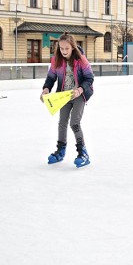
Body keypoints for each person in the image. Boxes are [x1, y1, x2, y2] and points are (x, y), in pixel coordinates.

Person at [41, 33, 94, 168]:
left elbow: (89, 78)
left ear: (72, 47)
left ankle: (83, 152)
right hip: (64, 95)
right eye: (61, 48)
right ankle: (61, 151)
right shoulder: (56, 60)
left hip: (79, 94)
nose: (64, 51)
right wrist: (46, 89)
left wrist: (80, 90)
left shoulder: (81, 60)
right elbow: (51, 77)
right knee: (62, 122)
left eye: (67, 49)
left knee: (74, 122)